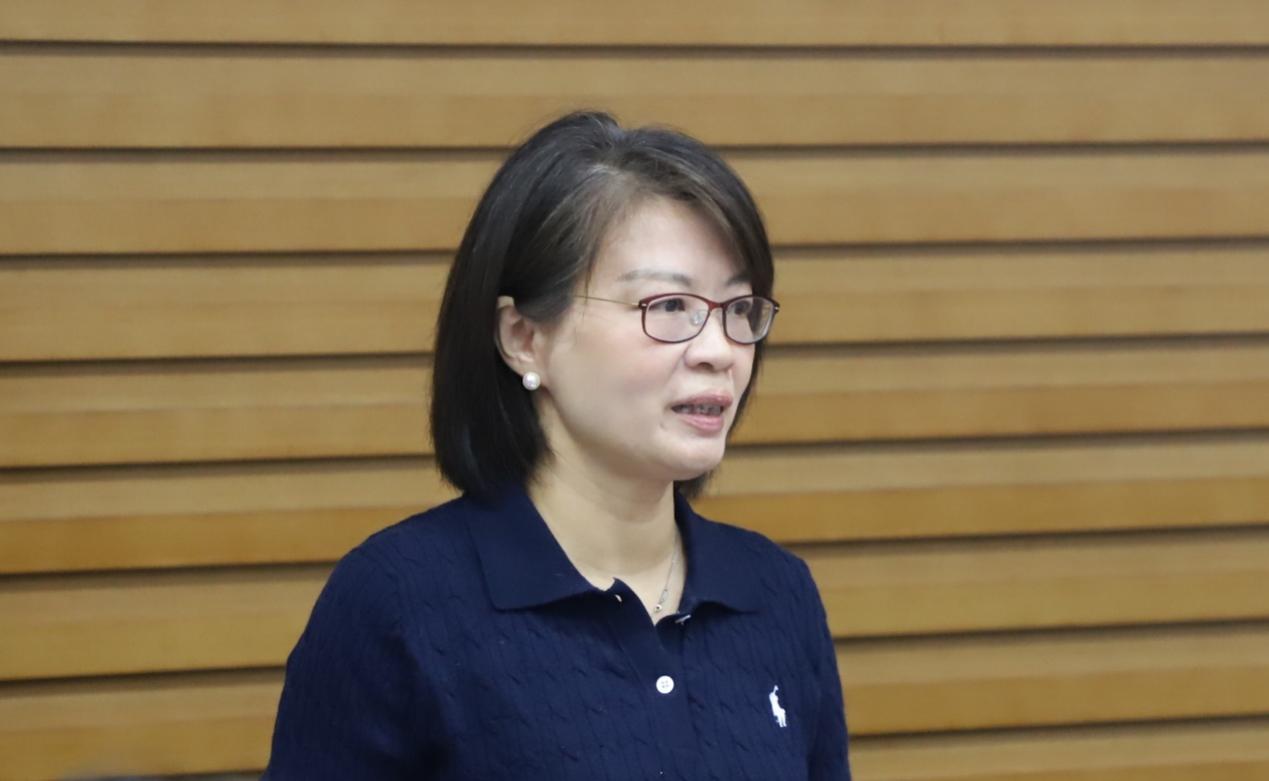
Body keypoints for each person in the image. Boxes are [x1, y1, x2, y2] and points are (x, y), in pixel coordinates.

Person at [265, 111, 851, 780]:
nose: (719, 350)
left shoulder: (775, 593)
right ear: (523, 338)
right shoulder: (399, 602)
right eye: (668, 307)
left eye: (738, 309)